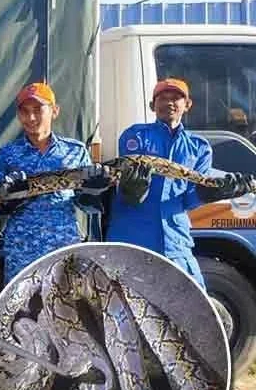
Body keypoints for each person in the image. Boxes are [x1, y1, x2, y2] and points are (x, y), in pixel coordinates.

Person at [108, 78, 256, 289]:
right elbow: (126, 184)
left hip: (175, 243)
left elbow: (188, 199)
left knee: (193, 307)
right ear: (152, 105)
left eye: (176, 97)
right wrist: (132, 190)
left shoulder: (199, 147)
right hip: (133, 240)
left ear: (187, 105)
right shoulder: (136, 135)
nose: (169, 102)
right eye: (162, 98)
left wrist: (211, 193)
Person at [0, 83, 108, 284]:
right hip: (21, 248)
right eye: (25, 112)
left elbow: (85, 205)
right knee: (21, 309)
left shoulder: (75, 152)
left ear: (54, 111)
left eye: (37, 110)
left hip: (62, 244)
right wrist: (9, 200)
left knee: (65, 306)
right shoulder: (7, 155)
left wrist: (92, 192)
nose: (31, 118)